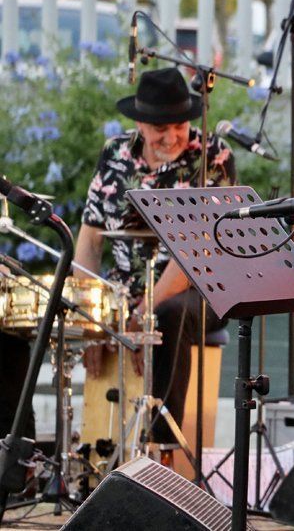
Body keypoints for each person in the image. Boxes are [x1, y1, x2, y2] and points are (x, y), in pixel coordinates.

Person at [74, 68, 235, 450]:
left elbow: (194, 254)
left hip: (197, 290)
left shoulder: (212, 155)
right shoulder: (114, 154)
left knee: (169, 315)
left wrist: (142, 313)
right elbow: (90, 240)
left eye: (179, 125)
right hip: (125, 291)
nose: (173, 136)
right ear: (140, 125)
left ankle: (162, 449)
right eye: (160, 129)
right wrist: (90, 314)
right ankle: (93, 455)